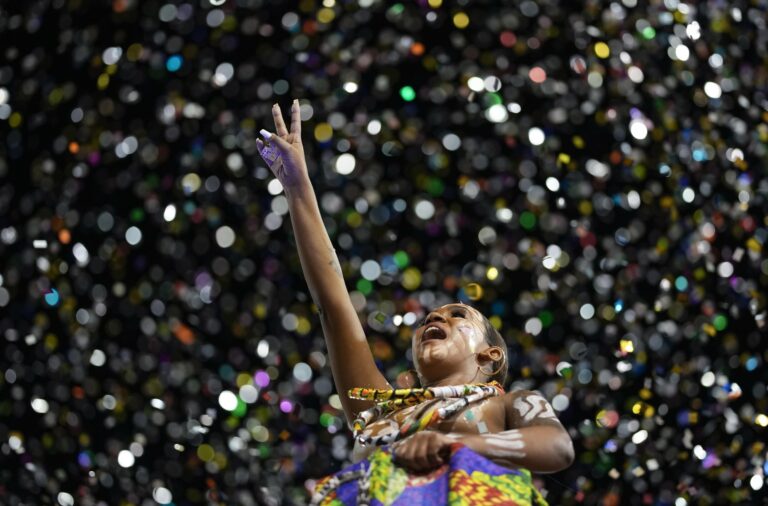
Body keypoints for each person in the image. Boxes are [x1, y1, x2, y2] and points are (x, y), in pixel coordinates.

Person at [256, 100, 575, 505]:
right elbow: (333, 303)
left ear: (489, 355)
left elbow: (557, 447)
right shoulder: (382, 412)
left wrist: (458, 447)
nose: (435, 319)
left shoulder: (512, 404)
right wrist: (298, 187)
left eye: (458, 315)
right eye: (429, 318)